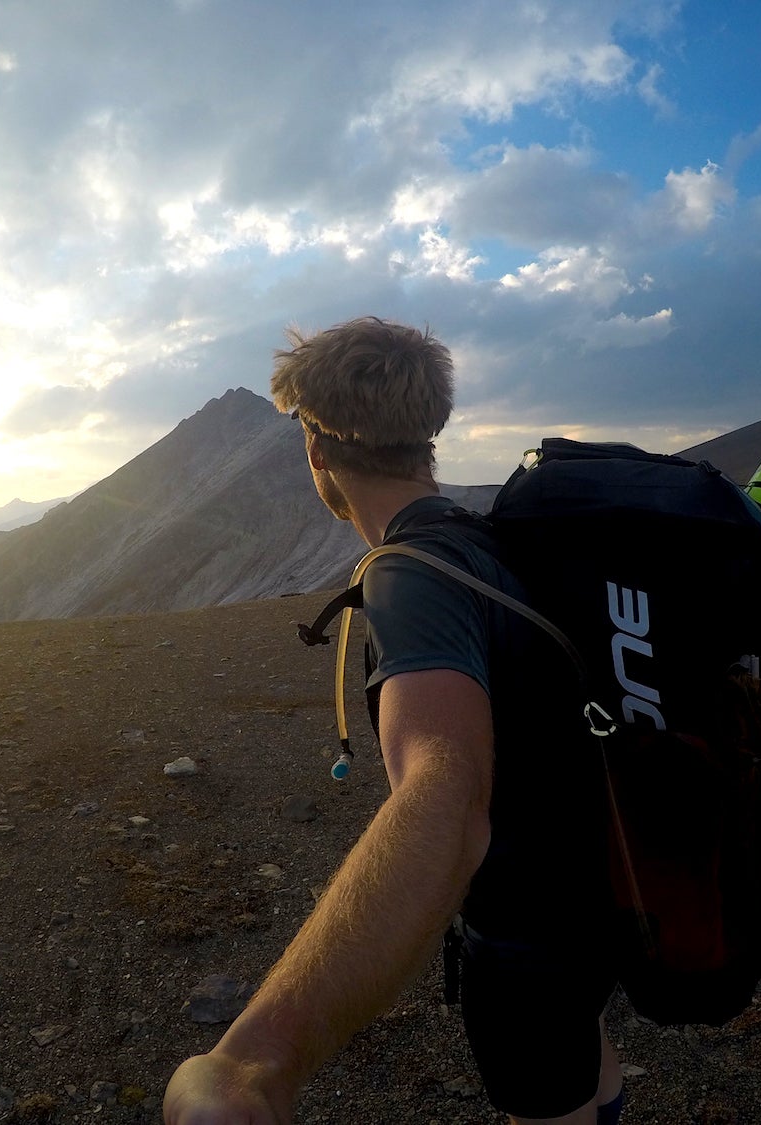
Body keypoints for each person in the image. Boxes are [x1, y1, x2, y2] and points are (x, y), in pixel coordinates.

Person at [164, 317, 627, 1124]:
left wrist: (254, 1059)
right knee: (586, 1074)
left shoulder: (412, 579)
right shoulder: (487, 543)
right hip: (588, 902)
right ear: (427, 433)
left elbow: (445, 799)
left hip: (524, 941)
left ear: (317, 450)